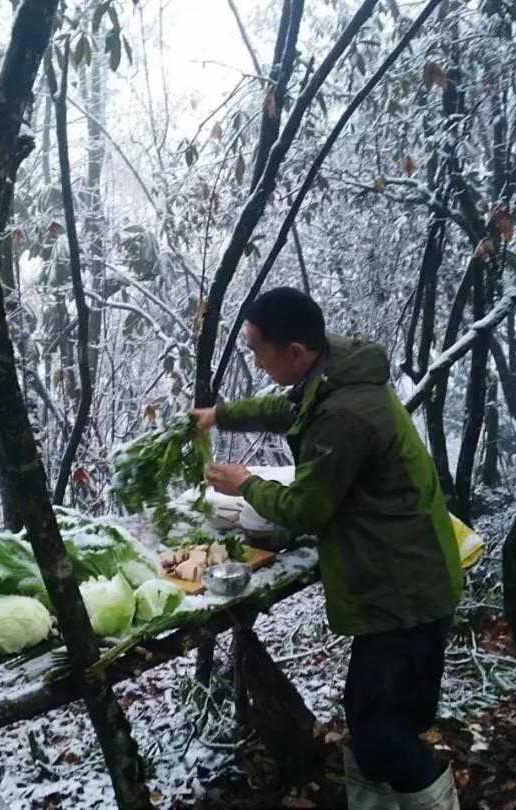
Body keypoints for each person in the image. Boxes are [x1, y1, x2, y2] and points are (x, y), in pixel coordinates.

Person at [190, 287, 462, 810]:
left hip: (405, 587)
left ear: (295, 351)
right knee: (367, 715)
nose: (254, 360)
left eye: (257, 351)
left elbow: (308, 508)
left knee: (384, 733)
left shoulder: (347, 413)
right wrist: (220, 415)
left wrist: (245, 483)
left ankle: (437, 802)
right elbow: (287, 407)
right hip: (395, 575)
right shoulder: (330, 368)